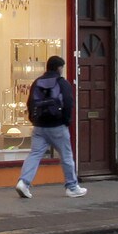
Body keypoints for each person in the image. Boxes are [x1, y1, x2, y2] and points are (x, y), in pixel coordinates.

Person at [17, 53, 87, 198]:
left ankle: (23, 182)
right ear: (59, 68)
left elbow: (30, 102)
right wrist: (66, 121)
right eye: (62, 67)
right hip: (57, 126)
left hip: (39, 126)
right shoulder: (62, 83)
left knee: (35, 154)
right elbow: (68, 102)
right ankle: (72, 187)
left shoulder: (37, 82)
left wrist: (33, 119)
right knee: (66, 156)